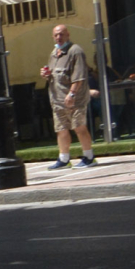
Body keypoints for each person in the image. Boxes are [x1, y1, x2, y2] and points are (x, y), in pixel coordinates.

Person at [37, 22, 97, 168]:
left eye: (62, 34)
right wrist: (46, 74)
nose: (59, 37)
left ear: (68, 35)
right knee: (61, 129)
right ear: (53, 37)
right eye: (56, 35)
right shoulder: (54, 53)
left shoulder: (75, 51)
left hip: (74, 99)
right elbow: (54, 74)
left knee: (79, 127)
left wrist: (72, 94)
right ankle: (64, 159)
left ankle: (89, 157)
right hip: (57, 99)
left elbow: (79, 77)